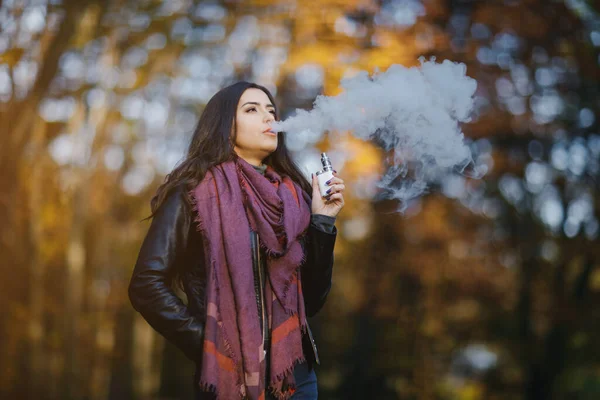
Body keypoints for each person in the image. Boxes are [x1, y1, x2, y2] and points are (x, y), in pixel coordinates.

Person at [128, 81, 345, 400]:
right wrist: (207, 344)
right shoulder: (193, 194)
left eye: (271, 110)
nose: (268, 117)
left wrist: (323, 221)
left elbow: (311, 301)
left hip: (296, 379)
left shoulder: (296, 200)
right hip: (227, 375)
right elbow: (146, 284)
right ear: (224, 125)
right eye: (252, 110)